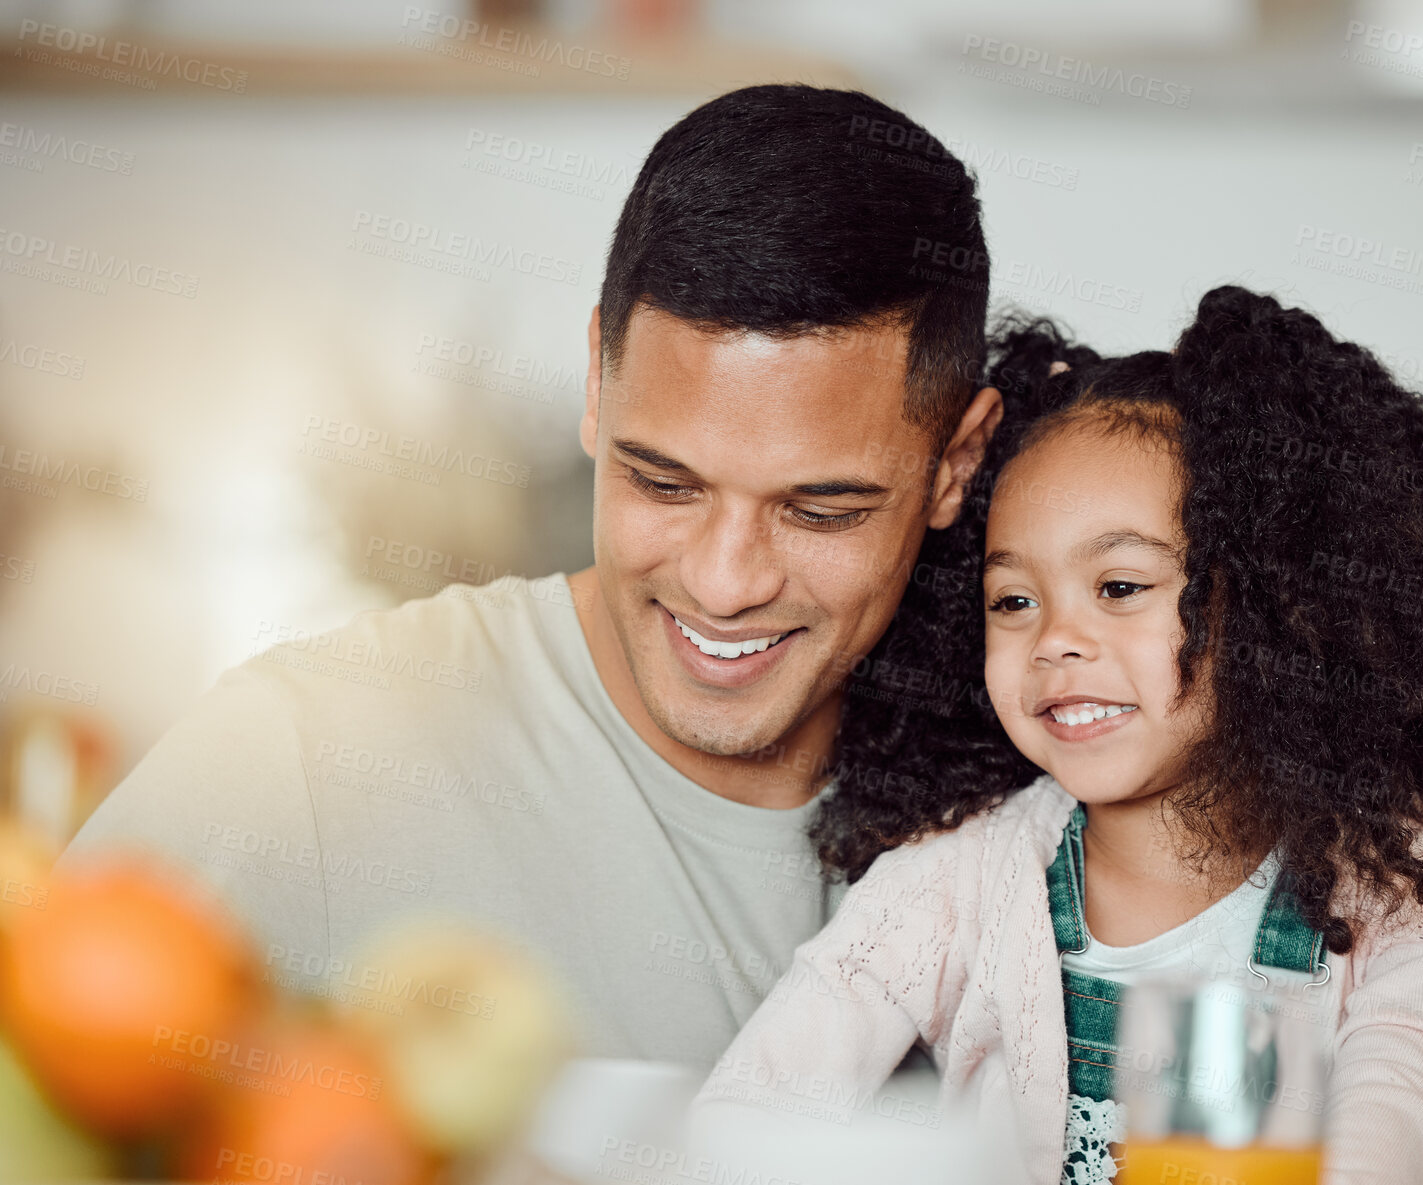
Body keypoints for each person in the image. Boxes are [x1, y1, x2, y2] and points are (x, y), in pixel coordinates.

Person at [61, 83, 1004, 1067]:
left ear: (956, 463)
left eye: (819, 511)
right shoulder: (298, 758)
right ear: (597, 380)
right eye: (663, 482)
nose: (726, 583)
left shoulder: (1040, 798)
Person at [692, 286, 1423, 1184]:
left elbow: (1400, 1115)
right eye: (1014, 600)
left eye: (1120, 587)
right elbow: (747, 1119)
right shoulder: (954, 882)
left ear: (1277, 604)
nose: (1055, 639)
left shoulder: (1410, 875)